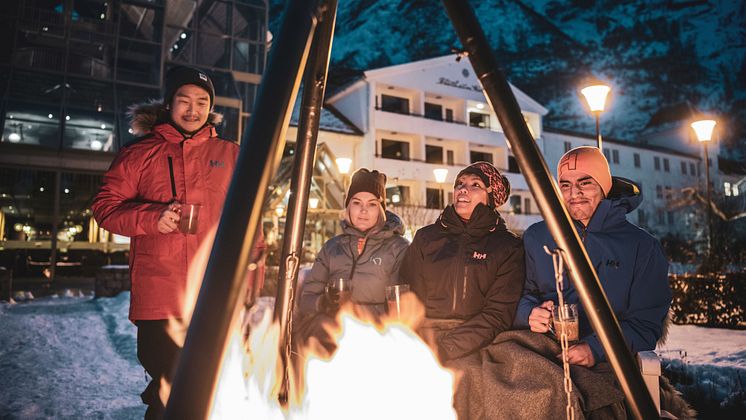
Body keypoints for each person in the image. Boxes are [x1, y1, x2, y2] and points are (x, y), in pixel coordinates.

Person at [91, 65, 265, 419]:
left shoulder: (231, 154)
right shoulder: (139, 153)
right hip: (161, 295)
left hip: (215, 296)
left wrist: (248, 289)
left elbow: (252, 226)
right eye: (184, 100)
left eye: (202, 102)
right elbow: (105, 209)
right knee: (170, 383)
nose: (193, 109)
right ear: (169, 103)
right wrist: (152, 218)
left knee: (212, 387)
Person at [492, 146, 672, 419]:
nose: (574, 193)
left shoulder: (641, 247)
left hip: (607, 357)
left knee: (572, 401)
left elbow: (646, 324)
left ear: (604, 185)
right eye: (565, 184)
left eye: (585, 183)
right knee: (488, 382)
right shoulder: (537, 235)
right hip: (541, 349)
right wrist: (529, 314)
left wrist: (595, 348)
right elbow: (521, 294)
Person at [398, 161, 524, 419]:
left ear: (491, 197)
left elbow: (497, 314)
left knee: (464, 380)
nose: (463, 190)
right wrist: (411, 339)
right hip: (424, 332)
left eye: (474, 185)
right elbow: (406, 293)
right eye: (459, 185)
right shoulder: (426, 238)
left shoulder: (507, 247)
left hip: (476, 338)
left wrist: (445, 347)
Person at [296, 168, 410, 352]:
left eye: (372, 204)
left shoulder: (398, 248)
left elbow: (400, 307)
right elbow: (307, 298)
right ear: (348, 207)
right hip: (332, 335)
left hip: (375, 338)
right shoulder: (332, 248)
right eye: (357, 202)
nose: (363, 210)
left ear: (381, 210)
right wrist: (323, 303)